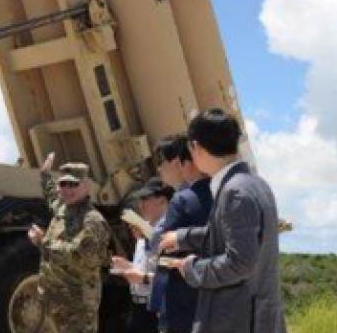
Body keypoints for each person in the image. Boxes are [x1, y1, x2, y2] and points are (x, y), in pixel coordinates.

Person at [159, 108, 287, 333]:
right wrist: (182, 238)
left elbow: (239, 262)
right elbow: (228, 234)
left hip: (238, 319)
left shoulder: (234, 191)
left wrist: (192, 268)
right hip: (257, 316)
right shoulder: (254, 184)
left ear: (196, 147)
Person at [27, 161, 111, 333]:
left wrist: (43, 242)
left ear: (86, 186)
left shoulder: (92, 220)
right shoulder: (64, 208)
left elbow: (79, 256)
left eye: (73, 184)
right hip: (55, 297)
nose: (67, 189)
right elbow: (52, 196)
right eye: (63, 184)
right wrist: (45, 175)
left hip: (77, 302)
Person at [152, 134, 213, 333]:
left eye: (161, 162)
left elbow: (165, 254)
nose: (159, 169)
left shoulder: (182, 201)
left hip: (188, 300)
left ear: (178, 162)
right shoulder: (221, 191)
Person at [112, 178, 173, 333]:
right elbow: (148, 266)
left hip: (157, 309)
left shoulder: (169, 232)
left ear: (162, 200)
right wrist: (128, 266)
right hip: (139, 307)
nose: (141, 204)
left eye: (146, 199)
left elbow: (173, 275)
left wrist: (143, 278)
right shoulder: (145, 229)